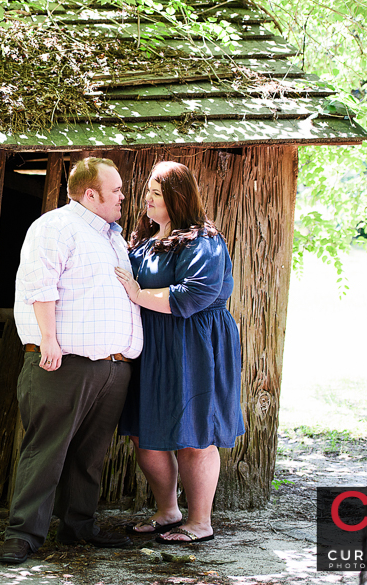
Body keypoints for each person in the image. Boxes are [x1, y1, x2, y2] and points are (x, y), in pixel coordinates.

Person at [0, 157, 144, 564]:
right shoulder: (56, 226)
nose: (122, 196)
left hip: (113, 366)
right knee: (46, 450)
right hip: (63, 362)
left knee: (90, 454)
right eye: (115, 190)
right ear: (90, 193)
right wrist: (49, 340)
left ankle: (78, 526)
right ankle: (23, 534)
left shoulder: (113, 237)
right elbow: (39, 283)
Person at [113, 160, 245, 544]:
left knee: (194, 434)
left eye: (157, 193)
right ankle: (168, 511)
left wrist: (138, 294)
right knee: (145, 433)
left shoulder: (204, 241)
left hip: (194, 344)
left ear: (177, 197)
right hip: (151, 344)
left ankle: (200, 522)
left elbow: (197, 293)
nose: (147, 199)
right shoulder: (144, 239)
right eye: (148, 192)